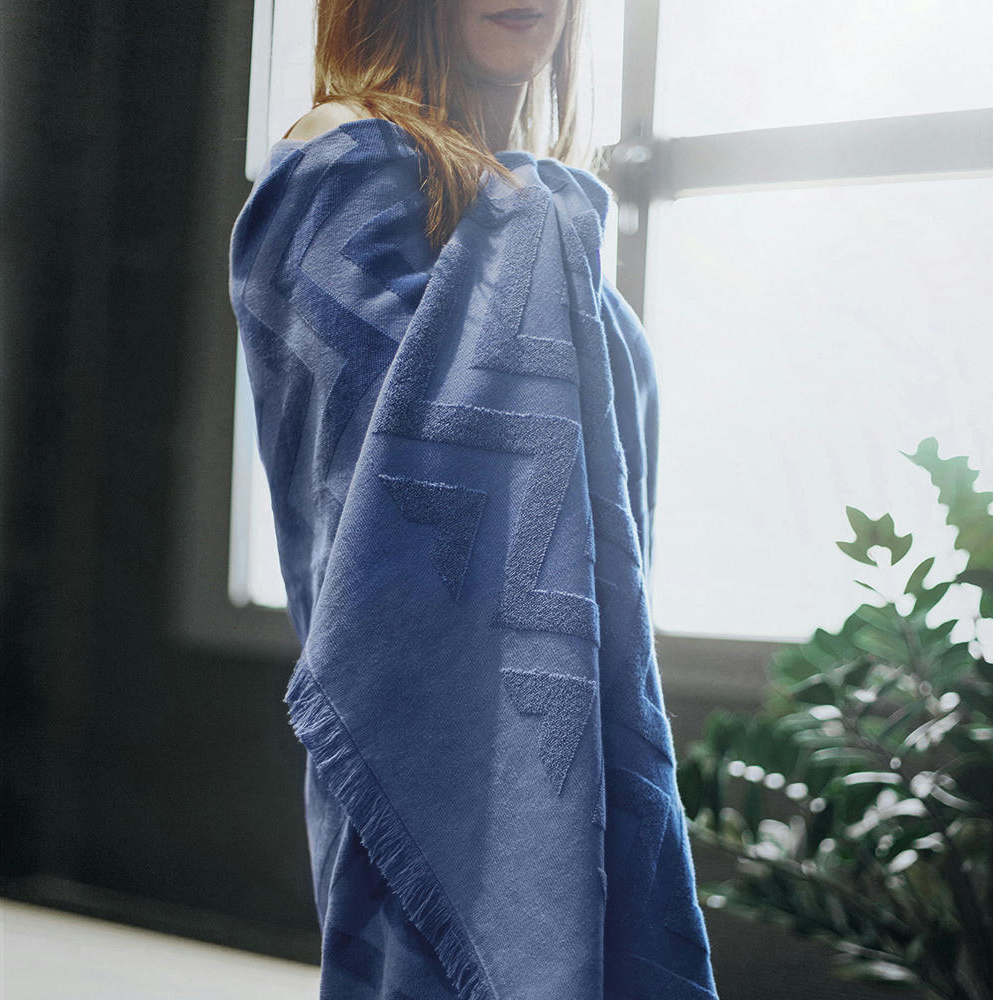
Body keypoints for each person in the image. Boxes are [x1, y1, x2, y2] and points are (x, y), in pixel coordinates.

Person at [228, 2, 720, 998]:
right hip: (428, 735)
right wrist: (527, 220)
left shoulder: (551, 220)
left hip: (588, 732)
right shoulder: (342, 169)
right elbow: (379, 518)